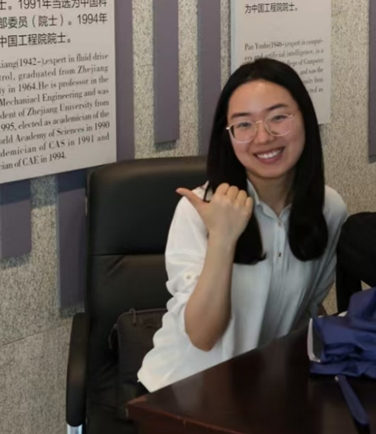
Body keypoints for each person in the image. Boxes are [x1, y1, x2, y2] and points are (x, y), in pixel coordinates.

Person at [138, 58, 348, 392]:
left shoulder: (329, 208)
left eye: (278, 117)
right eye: (244, 124)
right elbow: (202, 337)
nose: (263, 137)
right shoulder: (198, 211)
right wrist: (222, 237)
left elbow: (306, 310)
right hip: (182, 393)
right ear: (228, 135)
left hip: (264, 391)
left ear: (305, 119)